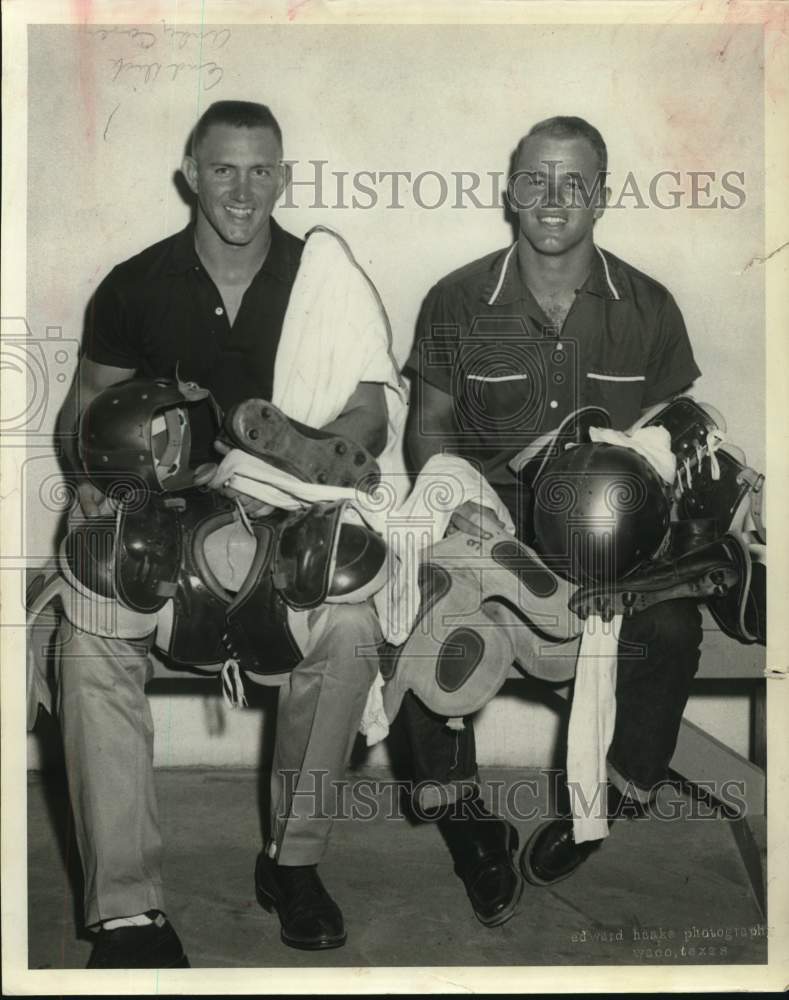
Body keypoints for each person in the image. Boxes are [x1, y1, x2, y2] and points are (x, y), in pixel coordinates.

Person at [54, 100, 389, 966]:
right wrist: (92, 487)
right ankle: (127, 911)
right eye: (224, 169)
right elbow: (85, 410)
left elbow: (367, 409)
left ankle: (294, 863)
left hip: (286, 516)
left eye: (261, 169)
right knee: (89, 637)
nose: (244, 190)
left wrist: (328, 451)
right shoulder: (136, 283)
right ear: (190, 176)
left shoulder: (324, 277)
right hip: (164, 524)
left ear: (283, 175)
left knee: (350, 626)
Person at [401, 116, 703, 926]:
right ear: (509, 189)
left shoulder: (649, 305)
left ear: (601, 195)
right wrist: (456, 502)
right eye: (535, 177)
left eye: (574, 181)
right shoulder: (458, 298)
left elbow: (674, 434)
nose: (553, 197)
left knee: (671, 632)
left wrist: (635, 544)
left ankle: (603, 799)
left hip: (614, 546)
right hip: (494, 535)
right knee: (418, 611)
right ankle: (466, 821)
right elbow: (426, 426)